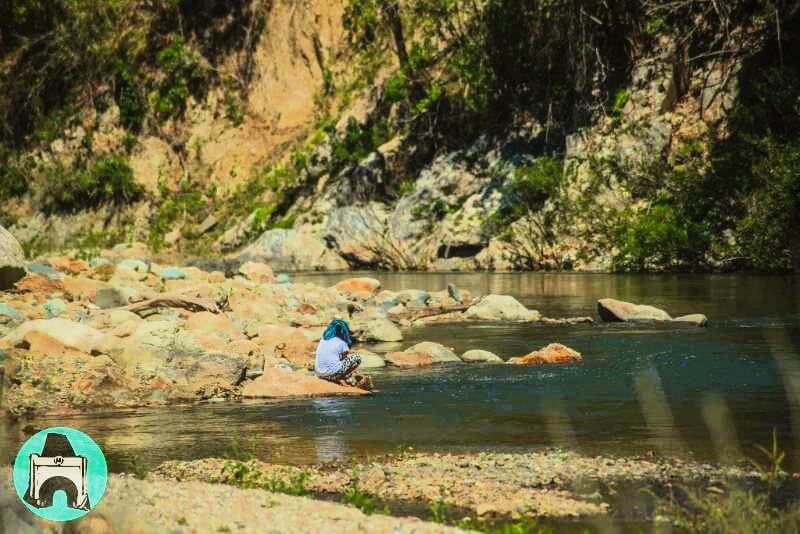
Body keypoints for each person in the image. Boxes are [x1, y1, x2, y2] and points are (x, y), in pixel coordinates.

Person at [315, 319, 362, 386]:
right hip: (331, 374)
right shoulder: (342, 342)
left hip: (319, 373)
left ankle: (335, 377)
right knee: (357, 357)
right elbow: (344, 358)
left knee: (337, 359)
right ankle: (341, 377)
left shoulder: (323, 339)